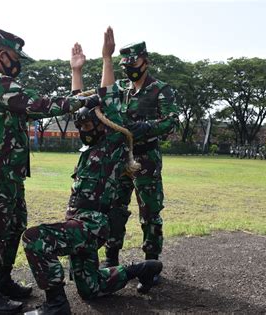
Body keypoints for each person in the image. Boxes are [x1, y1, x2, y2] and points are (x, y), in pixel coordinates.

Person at [22, 28, 162, 314]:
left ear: (101, 124)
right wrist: (76, 70)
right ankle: (140, 269)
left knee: (34, 239)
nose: (83, 127)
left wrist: (107, 58)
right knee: (91, 288)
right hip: (82, 223)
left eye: (88, 124)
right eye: (81, 125)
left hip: (91, 225)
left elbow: (107, 97)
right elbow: (79, 102)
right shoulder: (89, 147)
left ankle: (56, 305)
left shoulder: (111, 142)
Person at [0, 29, 99, 314]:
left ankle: (1, 282)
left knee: (13, 228)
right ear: (2, 55)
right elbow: (38, 105)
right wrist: (80, 101)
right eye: (16, 58)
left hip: (9, 173)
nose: (19, 64)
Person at [101, 38, 179, 290]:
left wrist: (144, 128)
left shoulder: (160, 89)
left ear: (146, 60)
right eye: (125, 63)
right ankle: (111, 260)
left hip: (146, 159)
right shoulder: (121, 88)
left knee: (150, 214)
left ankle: (151, 265)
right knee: (114, 209)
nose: (129, 67)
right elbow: (105, 100)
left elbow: (171, 121)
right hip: (120, 158)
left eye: (133, 62)